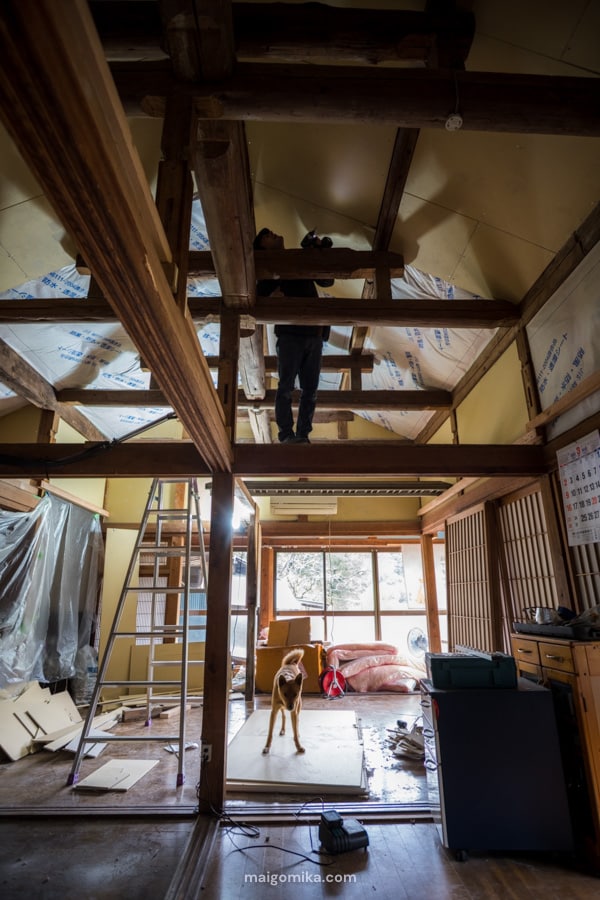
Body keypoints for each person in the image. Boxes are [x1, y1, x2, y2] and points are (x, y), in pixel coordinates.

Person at [254, 227, 334, 443]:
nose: (271, 232)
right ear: (263, 249)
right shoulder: (268, 268)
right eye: (265, 236)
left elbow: (327, 281)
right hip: (290, 334)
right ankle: (287, 435)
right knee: (286, 386)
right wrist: (272, 297)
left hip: (314, 333)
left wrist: (317, 253)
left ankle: (302, 436)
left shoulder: (300, 258)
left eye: (270, 231)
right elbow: (259, 298)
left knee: (310, 390)